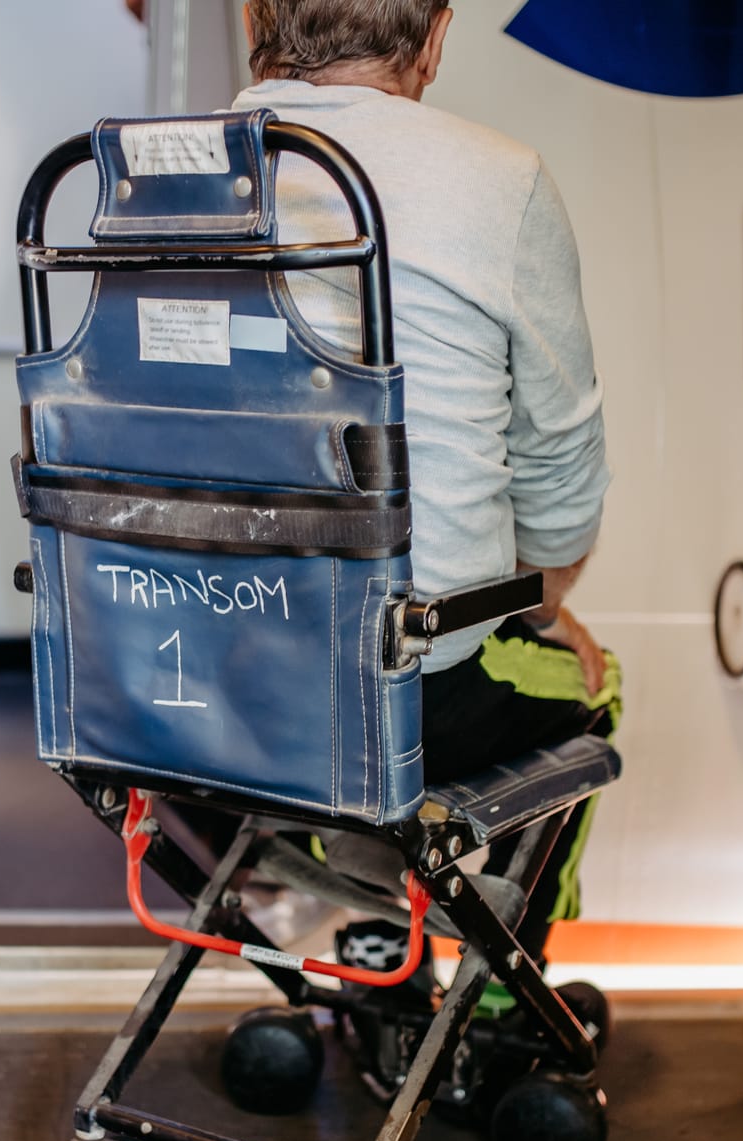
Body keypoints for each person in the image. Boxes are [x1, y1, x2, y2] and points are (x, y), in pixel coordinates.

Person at [235, 0, 618, 945]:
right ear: (436, 35)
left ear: (254, 13)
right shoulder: (498, 181)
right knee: (590, 690)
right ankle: (497, 996)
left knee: (353, 702)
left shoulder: (157, 175)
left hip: (192, 686)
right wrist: (542, 597)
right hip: (399, 685)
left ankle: (373, 938)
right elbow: (562, 464)